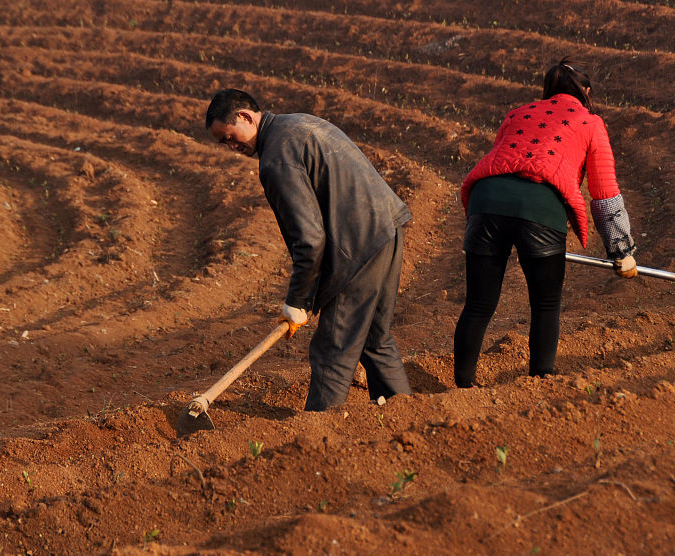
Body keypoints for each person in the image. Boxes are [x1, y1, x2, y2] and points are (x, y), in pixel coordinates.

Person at [205, 89, 413, 410]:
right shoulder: (299, 123)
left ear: (246, 117)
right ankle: (405, 417)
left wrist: (297, 301)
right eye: (225, 143)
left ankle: (317, 437)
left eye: (230, 137)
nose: (233, 147)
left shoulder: (276, 159)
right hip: (387, 227)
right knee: (375, 338)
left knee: (332, 350)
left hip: (356, 250)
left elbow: (309, 239)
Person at [454, 59, 638, 388]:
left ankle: (462, 387)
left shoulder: (517, 113)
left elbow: (504, 157)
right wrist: (621, 250)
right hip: (540, 206)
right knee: (545, 303)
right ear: (587, 92)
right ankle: (540, 383)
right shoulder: (590, 122)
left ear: (548, 91)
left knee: (479, 303)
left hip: (487, 200)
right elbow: (604, 192)